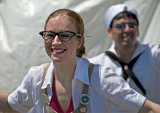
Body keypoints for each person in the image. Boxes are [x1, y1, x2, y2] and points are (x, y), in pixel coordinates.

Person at [0, 8, 160, 113]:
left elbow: (148, 109)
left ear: (80, 41)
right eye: (50, 35)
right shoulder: (36, 77)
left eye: (65, 35)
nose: (55, 42)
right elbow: (10, 105)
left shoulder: (100, 77)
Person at [89, 3, 160, 113]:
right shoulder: (96, 64)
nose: (127, 30)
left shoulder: (154, 54)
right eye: (120, 26)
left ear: (138, 30)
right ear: (110, 32)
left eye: (132, 25)